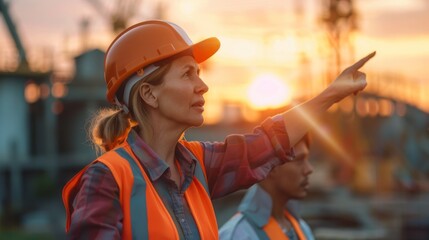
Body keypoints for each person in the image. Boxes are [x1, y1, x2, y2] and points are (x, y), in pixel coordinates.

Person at [61, 19, 375, 239]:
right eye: (187, 75)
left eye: (199, 74)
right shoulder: (106, 181)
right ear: (149, 93)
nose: (203, 86)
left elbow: (266, 143)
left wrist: (332, 94)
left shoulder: (197, 165)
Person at [219, 134, 314, 240]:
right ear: (270, 166)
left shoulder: (302, 229)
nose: (309, 169)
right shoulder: (237, 235)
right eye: (299, 160)